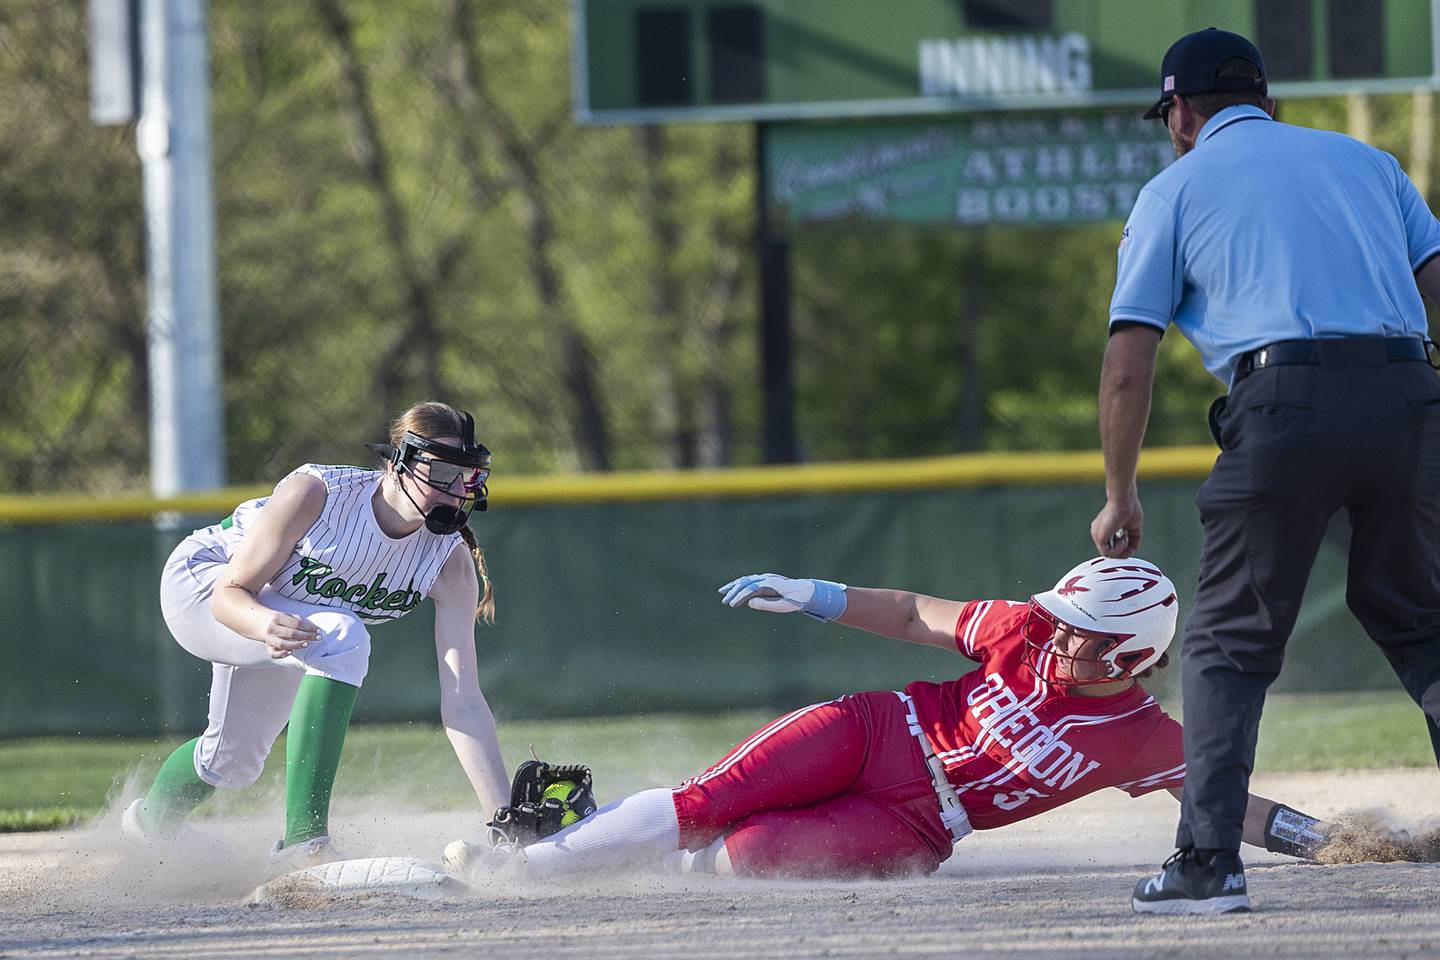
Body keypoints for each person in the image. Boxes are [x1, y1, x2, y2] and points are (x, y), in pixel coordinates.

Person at [1092, 26, 1440, 915]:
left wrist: (1120, 493)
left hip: (1283, 402)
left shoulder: (1174, 188)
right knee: (1423, 617)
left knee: (1227, 643)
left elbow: (1130, 360)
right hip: (1409, 396)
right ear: (1268, 101)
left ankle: (1209, 864)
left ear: (1179, 112)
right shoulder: (1371, 163)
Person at [443, 559, 1327, 897]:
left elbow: (1226, 803)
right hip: (880, 732)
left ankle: (593, 834)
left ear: (1132, 656)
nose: (1055, 632)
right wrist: (815, 597)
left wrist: (1335, 843)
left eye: (1081, 631)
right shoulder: (1022, 630)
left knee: (743, 857)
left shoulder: (1139, 732)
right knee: (707, 802)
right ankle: (518, 868)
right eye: (1061, 616)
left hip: (919, 823)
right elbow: (913, 614)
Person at [123, 401, 511, 870]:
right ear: (397, 462)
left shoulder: (449, 563)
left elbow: (464, 700)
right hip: (206, 583)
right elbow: (231, 592)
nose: (454, 492)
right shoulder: (318, 492)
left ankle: (151, 823)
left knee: (233, 761)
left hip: (293, 621)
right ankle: (304, 844)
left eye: (466, 478)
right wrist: (262, 623)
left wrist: (503, 822)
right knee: (343, 636)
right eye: (442, 473)